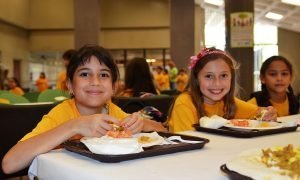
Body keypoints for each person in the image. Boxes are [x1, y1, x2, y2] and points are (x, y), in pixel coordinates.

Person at [2, 45, 166, 174]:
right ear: (70, 85)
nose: (95, 81)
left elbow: (163, 130)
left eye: (103, 75)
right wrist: (75, 125)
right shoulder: (62, 113)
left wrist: (141, 123)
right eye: (84, 74)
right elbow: (9, 164)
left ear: (114, 87)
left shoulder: (112, 111)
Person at [167, 47, 277, 132]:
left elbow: (260, 112)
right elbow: (188, 145)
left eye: (223, 76)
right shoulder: (184, 104)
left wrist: (269, 114)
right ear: (196, 78)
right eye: (209, 76)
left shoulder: (228, 102)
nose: (217, 83)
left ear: (231, 78)